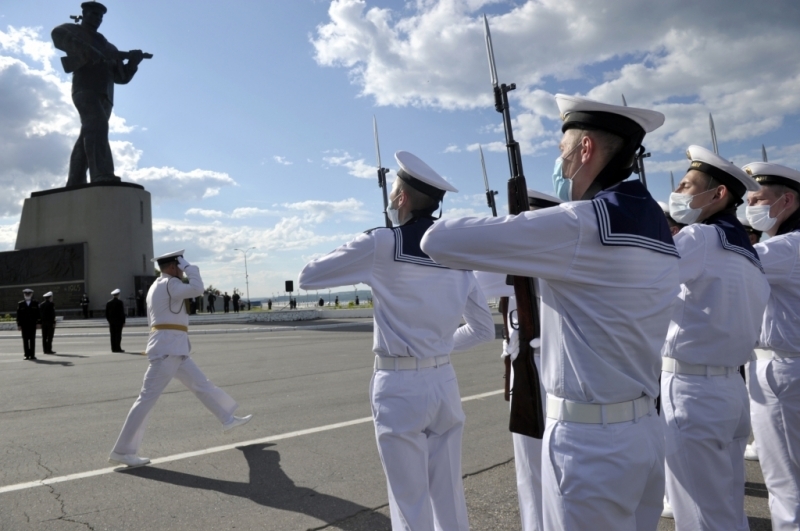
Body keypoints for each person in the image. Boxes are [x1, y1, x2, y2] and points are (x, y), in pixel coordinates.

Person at [422, 94, 679, 530]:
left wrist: (523, 228)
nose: (558, 167)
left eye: (562, 152)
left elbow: (437, 240)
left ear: (586, 150)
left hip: (591, 444)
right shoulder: (658, 229)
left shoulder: (581, 224)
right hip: (646, 431)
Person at [299, 151, 495, 531]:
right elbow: (482, 329)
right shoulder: (454, 252)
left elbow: (309, 276)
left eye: (393, 193)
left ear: (402, 198)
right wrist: (435, 349)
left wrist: (369, 244)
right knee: (449, 496)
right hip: (444, 383)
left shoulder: (382, 243)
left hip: (400, 385)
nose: (390, 199)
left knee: (410, 502)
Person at [660, 145, 769, 530]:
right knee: (724, 507)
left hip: (691, 390)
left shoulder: (700, 239)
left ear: (718, 195)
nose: (679, 193)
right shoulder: (747, 251)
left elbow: (640, 279)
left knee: (699, 514)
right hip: (729, 390)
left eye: (688, 185)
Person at [109, 250, 253, 468]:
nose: (183, 270)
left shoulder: (158, 286)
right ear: (175, 266)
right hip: (168, 349)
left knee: (201, 384)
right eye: (180, 265)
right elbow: (197, 288)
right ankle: (122, 451)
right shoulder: (170, 284)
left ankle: (227, 418)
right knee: (146, 399)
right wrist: (190, 267)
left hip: (172, 347)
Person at [475, 188, 562, 531]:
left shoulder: (525, 258)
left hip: (536, 369)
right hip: (538, 364)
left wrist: (502, 238)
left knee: (533, 469)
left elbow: (477, 280)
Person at [742, 161, 800, 530]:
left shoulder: (783, 248)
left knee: (785, 481)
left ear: (788, 201)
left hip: (780, 370)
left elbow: (730, 263)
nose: (749, 207)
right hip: (784, 366)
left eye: (757, 199)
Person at [51, 2, 145, 186]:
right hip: (85, 89)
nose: (97, 19)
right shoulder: (72, 30)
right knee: (97, 127)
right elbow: (57, 35)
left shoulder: (109, 47)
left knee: (89, 134)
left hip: (106, 96)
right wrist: (87, 49)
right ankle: (101, 174)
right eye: (94, 14)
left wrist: (133, 63)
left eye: (100, 17)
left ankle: (75, 181)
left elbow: (121, 78)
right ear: (84, 14)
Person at [16, 288, 41, 360]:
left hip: (32, 324)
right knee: (25, 340)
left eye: (29, 294)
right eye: (26, 294)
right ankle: (26, 355)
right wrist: (19, 325)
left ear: (31, 294)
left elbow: (38, 314)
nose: (27, 295)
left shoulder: (35, 303)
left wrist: (38, 323)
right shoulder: (20, 304)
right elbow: (18, 315)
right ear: (24, 295)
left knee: (32, 340)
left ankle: (32, 355)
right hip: (24, 325)